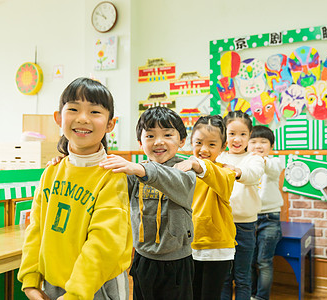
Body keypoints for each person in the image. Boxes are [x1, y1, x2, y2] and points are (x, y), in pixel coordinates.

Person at [18, 77, 133, 300]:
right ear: (58, 118)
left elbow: (104, 244)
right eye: (73, 109)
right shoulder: (51, 172)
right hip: (53, 284)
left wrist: (75, 294)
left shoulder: (113, 175)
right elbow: (36, 229)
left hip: (95, 287)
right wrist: (30, 279)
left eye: (94, 112)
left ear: (111, 124)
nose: (82, 118)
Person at [99, 106, 196, 300]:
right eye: (150, 136)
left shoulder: (185, 171)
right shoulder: (136, 173)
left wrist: (141, 170)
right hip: (143, 258)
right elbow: (108, 188)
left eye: (167, 134)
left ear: (182, 141)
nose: (158, 142)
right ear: (140, 142)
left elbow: (175, 181)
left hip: (176, 261)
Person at [174, 115, 236, 300]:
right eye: (199, 142)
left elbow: (214, 175)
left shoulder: (226, 171)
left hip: (216, 249)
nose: (204, 149)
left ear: (223, 146)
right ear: (190, 142)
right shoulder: (184, 168)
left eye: (212, 144)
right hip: (187, 246)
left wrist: (198, 165)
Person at [218, 111, 265, 300]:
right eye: (231, 133)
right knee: (224, 278)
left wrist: (237, 171)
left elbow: (252, 174)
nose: (237, 139)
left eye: (243, 134)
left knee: (243, 278)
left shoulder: (254, 158)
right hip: (221, 225)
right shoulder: (219, 157)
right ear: (224, 135)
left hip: (245, 226)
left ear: (249, 135)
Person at [248, 125, 284, 300]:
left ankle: (261, 298)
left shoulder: (274, 162)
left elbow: (272, 167)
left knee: (263, 261)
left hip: (270, 217)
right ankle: (251, 295)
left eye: (263, 142)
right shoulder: (244, 166)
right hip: (249, 218)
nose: (258, 145)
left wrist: (259, 159)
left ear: (271, 146)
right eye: (253, 141)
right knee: (249, 262)